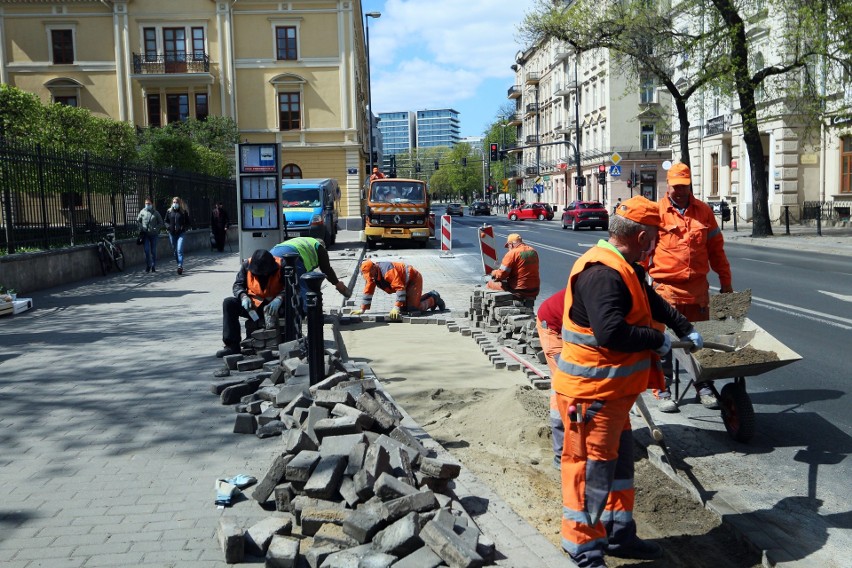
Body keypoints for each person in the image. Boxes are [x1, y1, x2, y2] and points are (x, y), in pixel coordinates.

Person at [552, 195, 702, 567]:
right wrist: (659, 340)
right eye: (655, 236)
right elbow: (611, 334)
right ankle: (581, 547)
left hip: (614, 395)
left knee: (617, 470)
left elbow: (650, 300)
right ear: (640, 236)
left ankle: (618, 534)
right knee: (591, 472)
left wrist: (684, 326)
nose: (659, 243)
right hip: (592, 397)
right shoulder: (602, 274)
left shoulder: (625, 267)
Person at [649, 162, 733, 412]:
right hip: (666, 290)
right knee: (663, 343)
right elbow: (645, 251)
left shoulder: (704, 212)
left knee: (698, 341)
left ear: (690, 185)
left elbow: (717, 252)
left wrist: (726, 284)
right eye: (676, 186)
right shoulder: (657, 212)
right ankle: (662, 389)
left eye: (684, 186)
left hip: (697, 292)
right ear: (668, 185)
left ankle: (703, 386)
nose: (680, 191)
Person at [216, 250, 287, 358]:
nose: (262, 275)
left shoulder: (281, 265)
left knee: (295, 303)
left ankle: (288, 341)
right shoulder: (247, 265)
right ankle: (232, 346)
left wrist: (280, 298)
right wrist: (243, 296)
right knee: (229, 303)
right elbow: (238, 285)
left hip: (275, 307)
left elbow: (292, 288)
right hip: (253, 306)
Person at [269, 236, 351, 313]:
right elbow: (326, 269)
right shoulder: (319, 248)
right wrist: (337, 283)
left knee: (279, 284)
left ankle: (280, 311)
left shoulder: (304, 242)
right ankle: (309, 314)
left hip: (273, 254)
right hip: (293, 256)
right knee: (304, 288)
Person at [535, 289, 567, 469]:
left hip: (573, 328)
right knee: (565, 383)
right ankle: (561, 453)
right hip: (553, 329)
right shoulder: (598, 298)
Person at [350, 259, 444, 320]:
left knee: (414, 309)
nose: (369, 276)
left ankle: (434, 298)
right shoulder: (371, 275)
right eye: (367, 275)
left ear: (374, 267)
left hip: (413, 279)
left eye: (370, 273)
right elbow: (368, 291)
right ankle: (427, 297)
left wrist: (395, 307)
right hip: (404, 284)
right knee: (404, 310)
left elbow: (400, 288)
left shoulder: (387, 271)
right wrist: (362, 309)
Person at [486, 233, 540, 301]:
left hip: (518, 290)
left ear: (511, 244)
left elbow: (501, 275)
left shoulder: (512, 253)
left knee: (490, 284)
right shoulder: (533, 251)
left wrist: (494, 273)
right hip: (534, 289)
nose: (508, 248)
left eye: (508, 246)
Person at [164, 196, 191, 275]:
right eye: (174, 202)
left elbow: (188, 223)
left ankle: (180, 266)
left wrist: (184, 228)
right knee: (175, 251)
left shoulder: (183, 212)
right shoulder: (169, 211)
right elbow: (165, 221)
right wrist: (168, 227)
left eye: (176, 202)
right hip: (172, 234)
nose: (175, 204)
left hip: (181, 234)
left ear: (179, 203)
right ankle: (179, 263)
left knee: (179, 250)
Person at [136, 197, 164, 273]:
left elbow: (161, 223)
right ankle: (148, 265)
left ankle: (153, 265)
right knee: (147, 250)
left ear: (152, 204)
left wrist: (156, 228)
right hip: (145, 235)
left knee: (153, 251)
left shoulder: (156, 213)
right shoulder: (142, 212)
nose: (147, 205)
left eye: (149, 204)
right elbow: (138, 221)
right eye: (146, 203)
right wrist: (141, 227)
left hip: (154, 235)